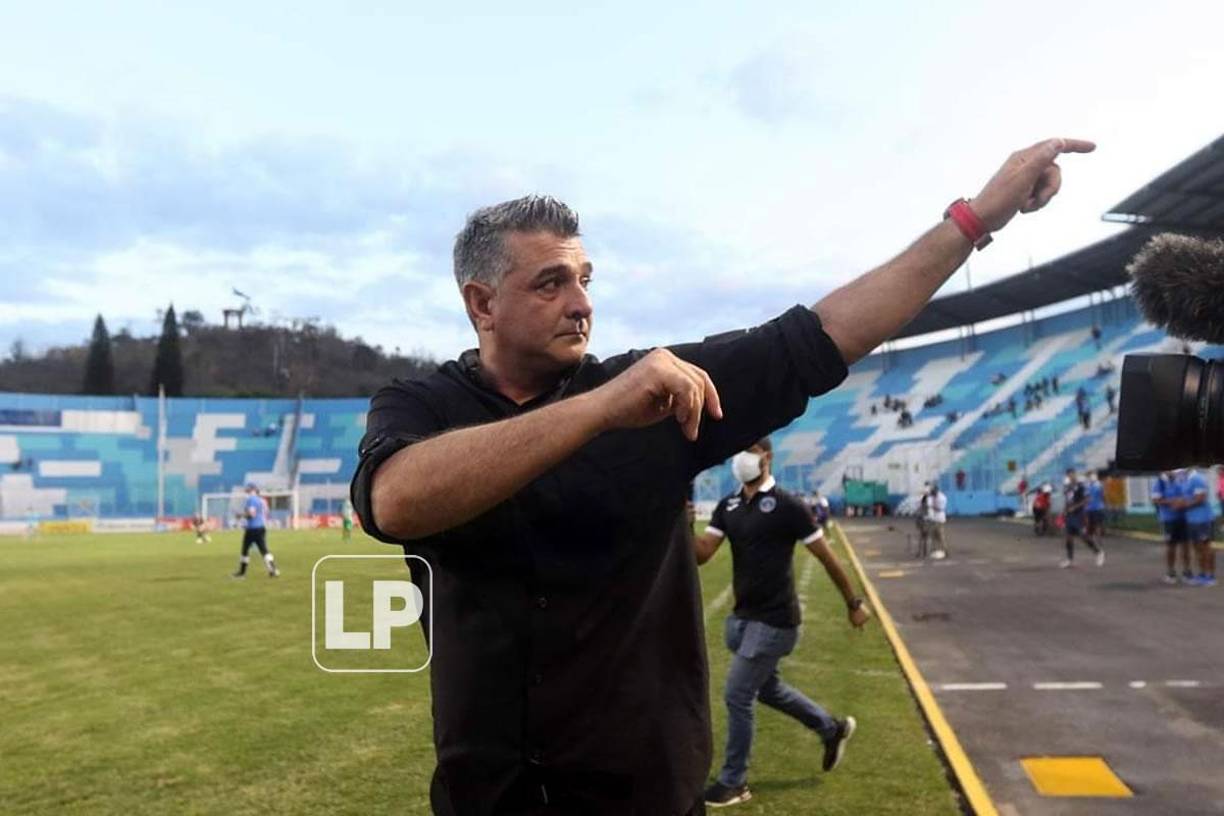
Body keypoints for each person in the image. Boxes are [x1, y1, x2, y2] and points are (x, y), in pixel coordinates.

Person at [350, 137, 1094, 814]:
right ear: (481, 304)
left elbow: (822, 336)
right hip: (490, 794)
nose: (582, 304)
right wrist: (597, 411)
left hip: (645, 794)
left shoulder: (659, 393)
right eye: (551, 284)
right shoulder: (428, 404)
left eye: (585, 279)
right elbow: (395, 501)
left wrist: (973, 219)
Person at [692, 438, 870, 807]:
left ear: (767, 458)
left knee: (737, 694)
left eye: (750, 450)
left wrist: (854, 603)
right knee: (767, 689)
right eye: (738, 449)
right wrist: (679, 520)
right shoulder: (729, 505)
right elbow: (703, 554)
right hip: (742, 620)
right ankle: (830, 728)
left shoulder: (789, 506)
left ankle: (734, 782)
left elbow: (826, 557)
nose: (741, 457)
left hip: (776, 621)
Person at [231, 483, 279, 578]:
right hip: (261, 527)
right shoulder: (261, 500)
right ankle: (273, 570)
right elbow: (264, 512)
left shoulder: (251, 499)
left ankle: (242, 573)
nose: (246, 491)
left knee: (245, 550)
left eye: (248, 489)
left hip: (253, 528)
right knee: (264, 550)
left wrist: (241, 516)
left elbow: (252, 514)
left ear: (252, 490)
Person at [1152, 471, 1191, 584]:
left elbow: (1187, 494)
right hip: (1168, 519)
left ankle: (1187, 571)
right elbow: (1156, 499)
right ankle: (1170, 572)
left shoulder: (1181, 479)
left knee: (1185, 545)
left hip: (1183, 517)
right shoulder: (1160, 482)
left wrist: (1183, 501)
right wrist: (1172, 502)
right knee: (1170, 546)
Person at [1060, 469, 1103, 568]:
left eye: (1071, 475)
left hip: (1079, 515)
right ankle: (1069, 559)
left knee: (1083, 536)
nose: (1070, 477)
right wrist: (1064, 511)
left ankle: (1098, 552)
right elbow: (1067, 501)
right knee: (1068, 538)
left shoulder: (1081, 486)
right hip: (1069, 515)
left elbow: (1087, 499)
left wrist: (1075, 507)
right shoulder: (1067, 488)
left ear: (1075, 475)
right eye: (1068, 475)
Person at [1181, 468, 1217, 586]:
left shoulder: (1197, 478)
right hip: (1192, 519)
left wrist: (1182, 504)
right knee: (1197, 547)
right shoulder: (1186, 480)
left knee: (1205, 547)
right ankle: (1202, 573)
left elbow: (1201, 498)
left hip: (1203, 519)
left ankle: (1210, 575)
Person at [926, 483, 949, 559]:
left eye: (933, 491)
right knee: (932, 536)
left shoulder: (942, 498)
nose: (931, 493)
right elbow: (929, 504)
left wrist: (931, 506)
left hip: (939, 519)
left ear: (936, 490)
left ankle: (945, 551)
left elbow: (939, 509)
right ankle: (933, 551)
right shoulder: (931, 496)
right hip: (932, 518)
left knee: (940, 536)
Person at [1085, 471, 1106, 540]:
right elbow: (1103, 496)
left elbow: (1102, 496)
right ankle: (1094, 538)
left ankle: (1097, 538)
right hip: (1091, 508)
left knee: (1096, 524)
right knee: (1093, 524)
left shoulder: (1098, 485)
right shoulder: (1088, 485)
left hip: (1097, 507)